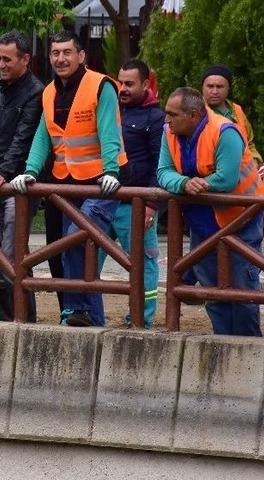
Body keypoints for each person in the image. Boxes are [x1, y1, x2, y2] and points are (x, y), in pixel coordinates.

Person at [10, 31, 127, 327]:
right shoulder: (49, 91)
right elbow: (43, 136)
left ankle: (77, 310)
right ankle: (87, 319)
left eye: (67, 52)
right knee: (69, 247)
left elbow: (109, 132)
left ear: (81, 56)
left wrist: (112, 171)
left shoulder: (101, 86)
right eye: (55, 53)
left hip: (101, 183)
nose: (60, 58)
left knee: (77, 239)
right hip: (66, 182)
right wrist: (30, 170)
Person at [157, 87, 264, 337]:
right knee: (213, 293)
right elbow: (163, 172)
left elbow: (226, 179)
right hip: (202, 225)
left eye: (173, 114)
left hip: (240, 221)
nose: (167, 119)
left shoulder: (225, 132)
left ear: (193, 115)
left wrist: (200, 184)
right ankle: (223, 342)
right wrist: (183, 183)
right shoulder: (169, 132)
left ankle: (248, 345)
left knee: (242, 291)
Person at [0, 31, 45, 321]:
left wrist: (2, 173)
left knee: (10, 253)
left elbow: (23, 139)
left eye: (7, 59)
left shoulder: (36, 92)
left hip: (20, 183)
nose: (1, 64)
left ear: (25, 59)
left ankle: (22, 317)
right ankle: (16, 315)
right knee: (7, 253)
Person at [99, 59, 164, 329]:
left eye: (129, 84)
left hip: (136, 203)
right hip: (104, 199)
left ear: (145, 84)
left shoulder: (156, 118)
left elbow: (160, 163)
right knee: (88, 256)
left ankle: (140, 319)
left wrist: (151, 204)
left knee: (142, 263)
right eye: (120, 82)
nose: (122, 88)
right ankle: (88, 313)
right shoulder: (110, 109)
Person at [201, 64, 262, 165]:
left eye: (220, 87)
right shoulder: (195, 112)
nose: (214, 91)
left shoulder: (237, 110)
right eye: (210, 86)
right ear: (202, 88)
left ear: (228, 88)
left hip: (244, 169)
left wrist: (255, 160)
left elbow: (249, 143)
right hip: (212, 171)